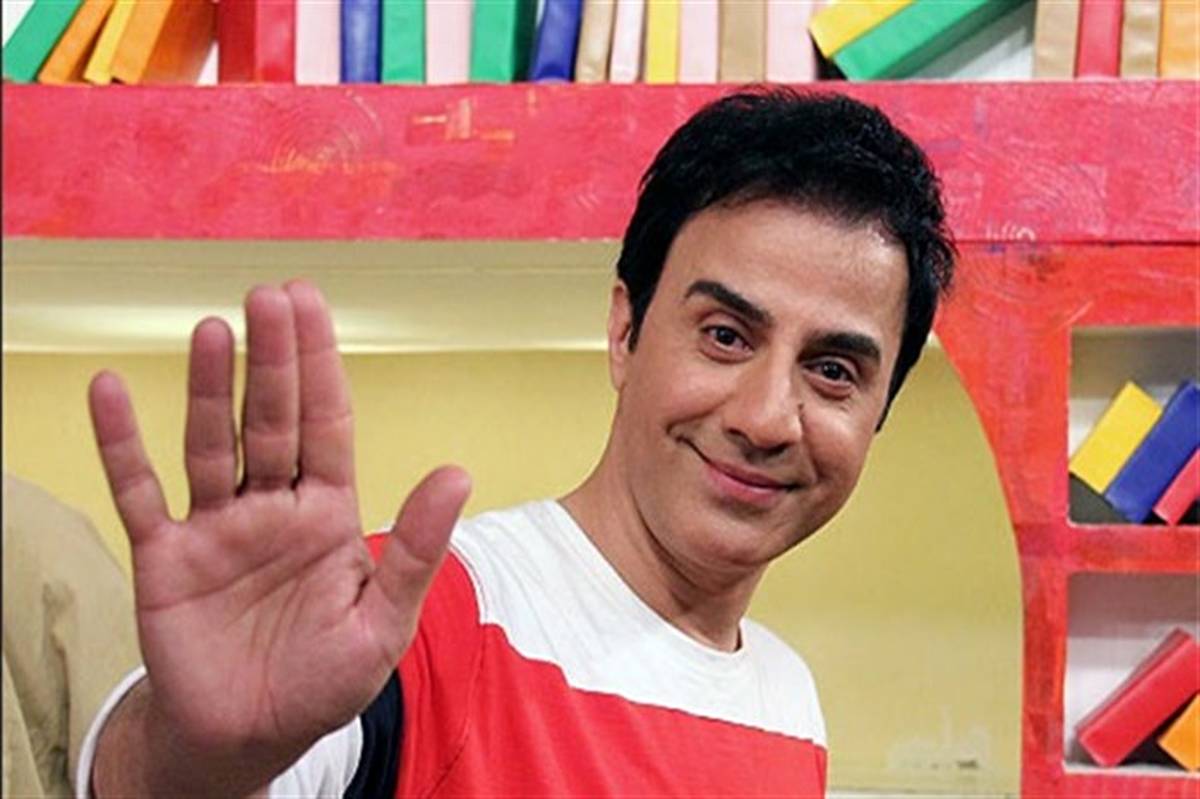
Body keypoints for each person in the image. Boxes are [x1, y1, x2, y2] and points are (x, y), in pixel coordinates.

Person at [80, 87, 954, 798]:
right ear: (626, 331)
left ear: (880, 408)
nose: (765, 417)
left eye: (832, 370)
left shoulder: (789, 701)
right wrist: (192, 756)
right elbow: (198, 766)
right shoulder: (403, 618)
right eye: (725, 335)